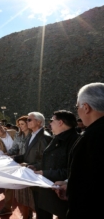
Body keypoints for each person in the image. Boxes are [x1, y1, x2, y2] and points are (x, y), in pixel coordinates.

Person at [53, 83, 104, 218]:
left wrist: (71, 188)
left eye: (77, 107)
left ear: (86, 107)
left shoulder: (89, 138)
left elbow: (84, 185)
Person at [29, 111, 78, 219]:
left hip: (61, 193)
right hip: (49, 190)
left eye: (52, 120)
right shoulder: (57, 137)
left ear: (60, 122)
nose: (50, 124)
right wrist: (36, 167)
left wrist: (44, 173)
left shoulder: (75, 142)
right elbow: (49, 160)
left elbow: (72, 171)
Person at [13, 112, 52, 218]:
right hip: (33, 176)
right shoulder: (33, 135)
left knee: (43, 210)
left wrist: (30, 165)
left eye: (29, 120)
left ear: (39, 122)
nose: (27, 122)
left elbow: (46, 160)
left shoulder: (44, 137)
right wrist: (14, 159)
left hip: (39, 177)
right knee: (38, 207)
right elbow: (27, 154)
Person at [7, 116, 34, 219]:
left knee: (31, 193)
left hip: (32, 167)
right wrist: (5, 154)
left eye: (22, 124)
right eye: (19, 124)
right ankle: (26, 215)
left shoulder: (33, 136)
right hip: (20, 166)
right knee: (22, 194)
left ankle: (31, 213)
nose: (20, 126)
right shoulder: (18, 136)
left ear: (28, 124)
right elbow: (14, 149)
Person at [0, 122, 16, 216]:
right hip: (8, 163)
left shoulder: (13, 133)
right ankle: (7, 207)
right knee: (8, 185)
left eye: (0, 128)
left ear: (3, 127)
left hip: (20, 159)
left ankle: (29, 210)